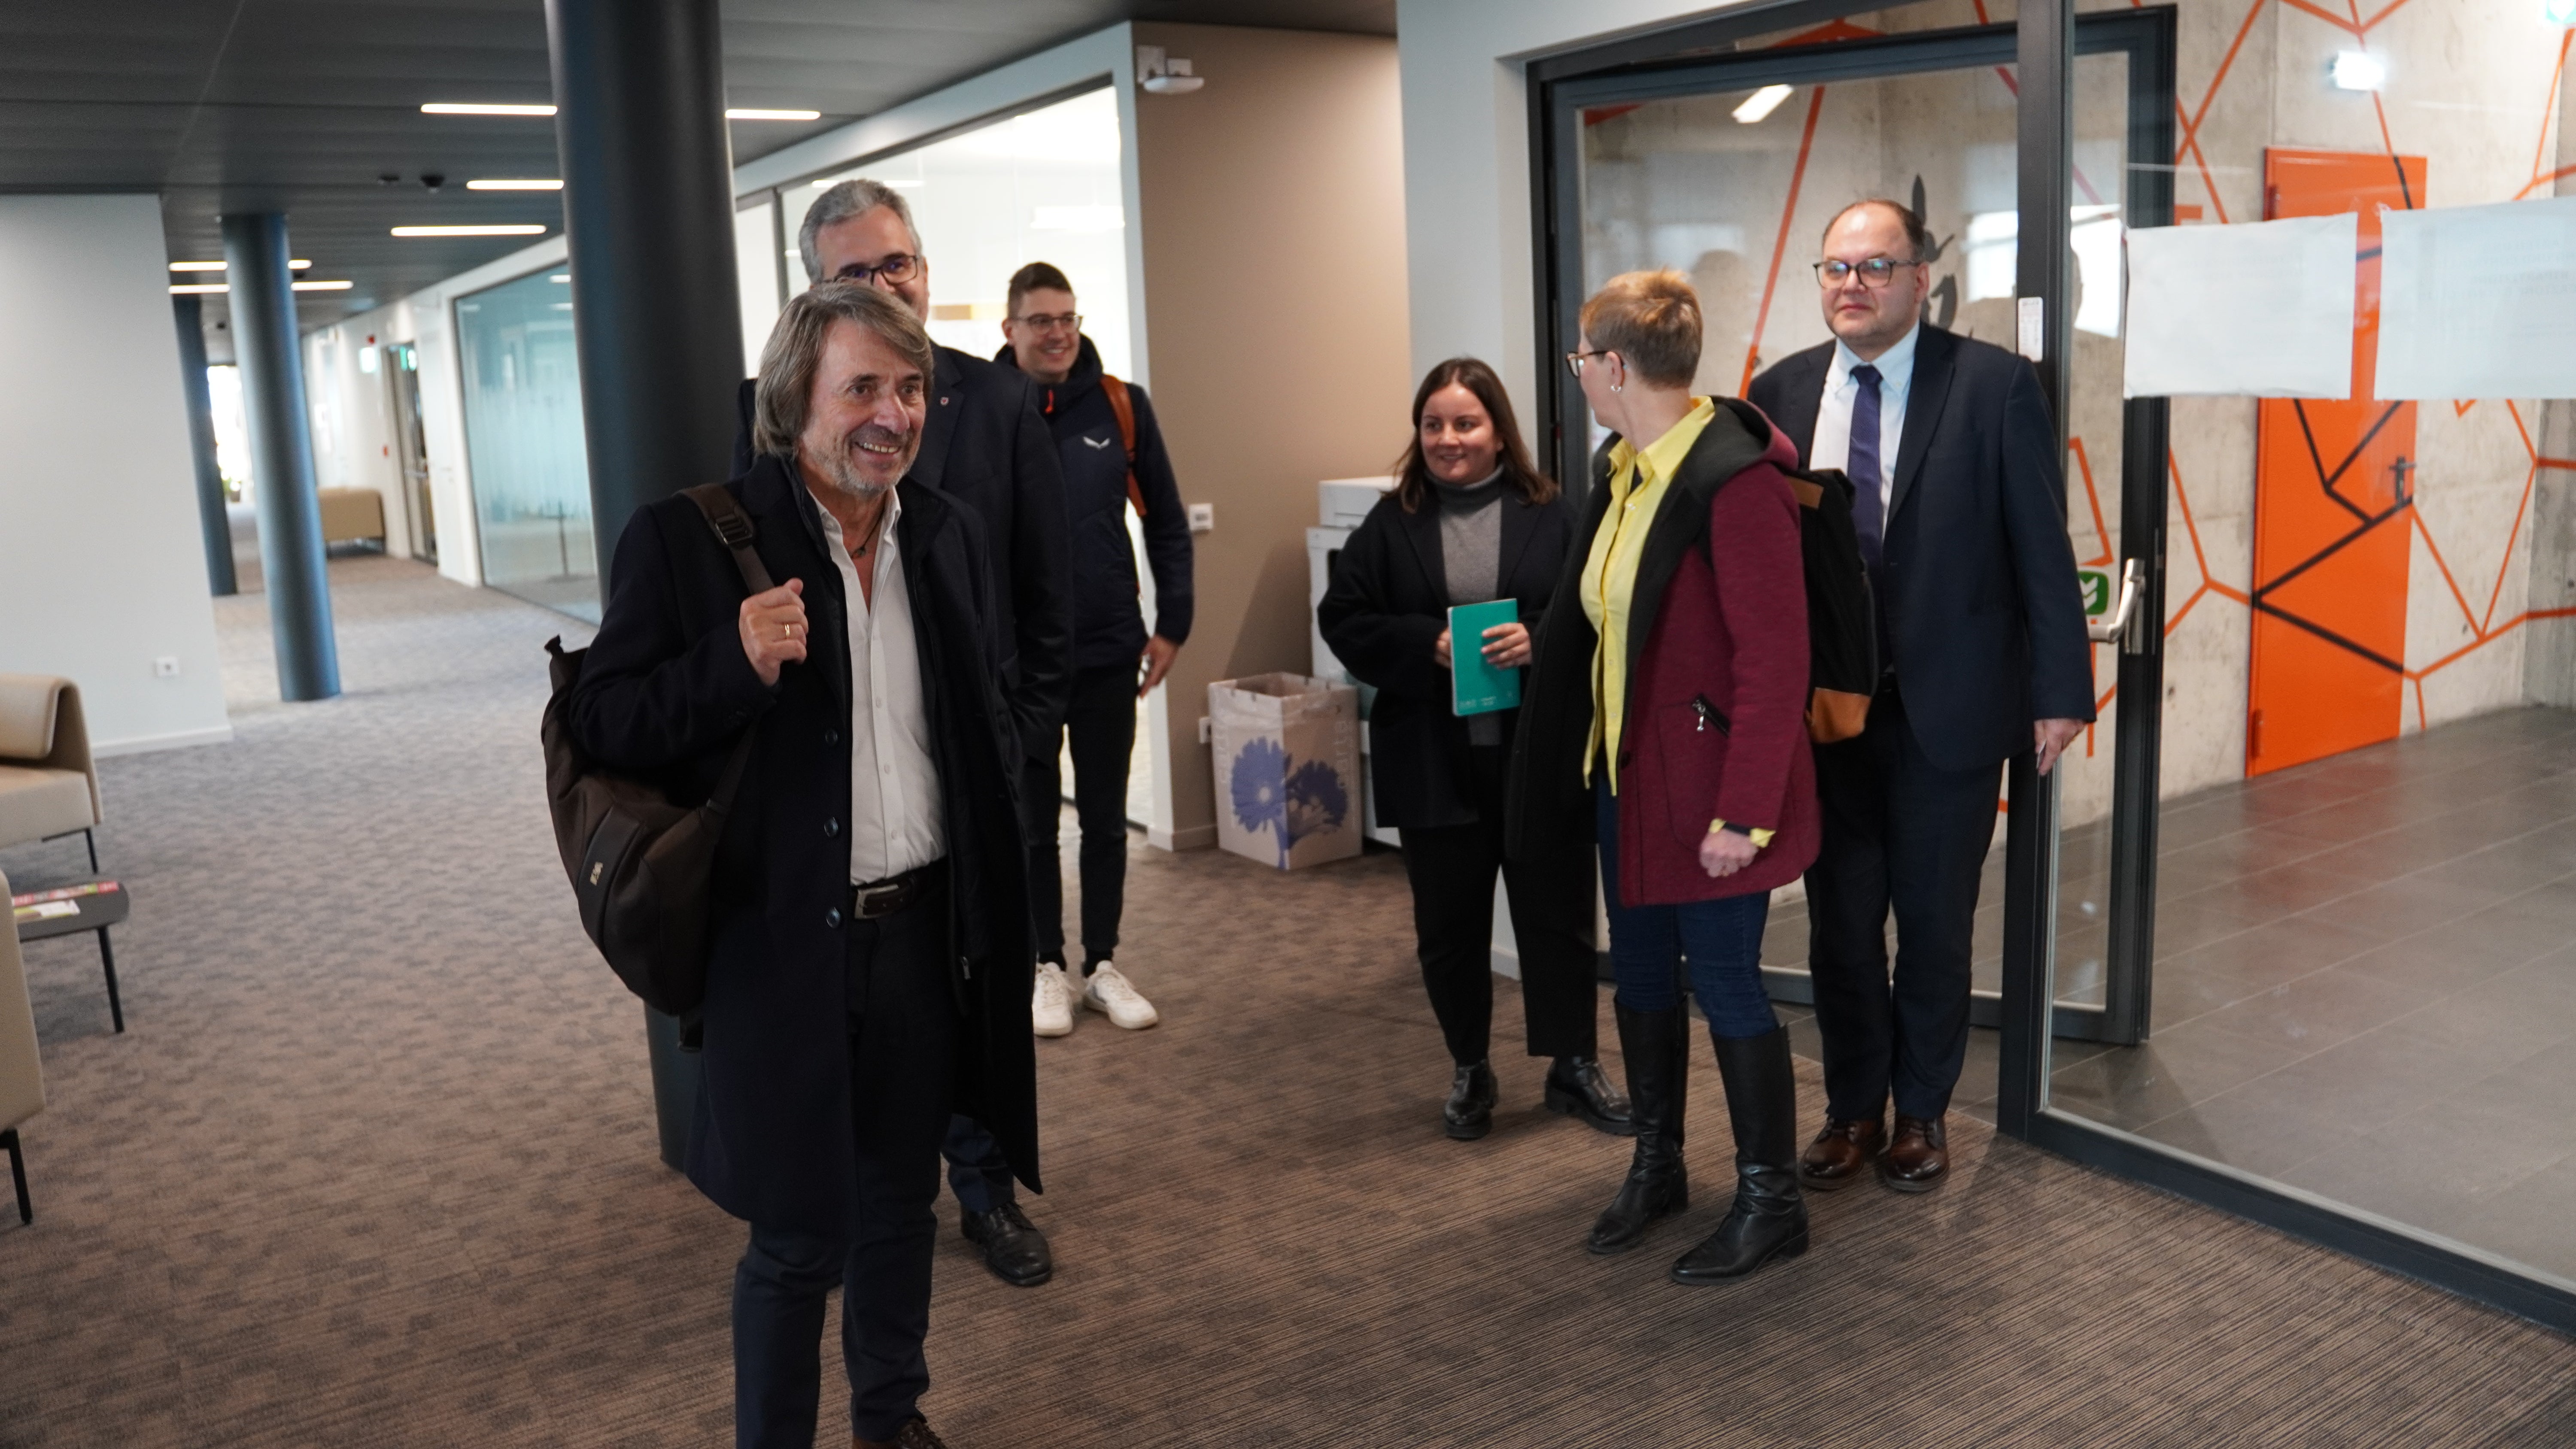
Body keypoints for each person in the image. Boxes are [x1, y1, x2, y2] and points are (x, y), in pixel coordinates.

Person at [574, 282, 1031, 1449]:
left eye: (913, 388)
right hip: (782, 952)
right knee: (794, 1236)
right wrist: (729, 662)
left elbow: (976, 726)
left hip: (924, 939)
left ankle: (893, 1419)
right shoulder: (688, 538)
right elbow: (608, 725)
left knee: (902, 1208)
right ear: (796, 399)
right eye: (865, 387)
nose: (895, 414)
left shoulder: (945, 533)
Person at [736, 179, 1069, 1288]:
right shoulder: (786, 409)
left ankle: (985, 1195)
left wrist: (1019, 746)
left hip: (969, 774)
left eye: (900, 266)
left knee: (968, 1004)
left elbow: (1040, 583)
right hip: (842, 798)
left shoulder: (997, 397)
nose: (887, 287)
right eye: (855, 275)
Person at [1746, 199, 2093, 1194]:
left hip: (1950, 707)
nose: (1851, 285)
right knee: (1840, 923)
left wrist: (2059, 688)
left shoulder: (1993, 385)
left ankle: (1922, 1110)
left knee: (1935, 925)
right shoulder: (1780, 390)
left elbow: (2041, 544)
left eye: (1875, 267)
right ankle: (1852, 1106)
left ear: (1921, 279)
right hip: (1830, 716)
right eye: (1835, 268)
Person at [1509, 270, 1821, 1285]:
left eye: (1579, 364)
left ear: (1610, 366)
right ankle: (1661, 1163)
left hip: (1717, 796)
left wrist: (1746, 811)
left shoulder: (1736, 483)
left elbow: (1777, 663)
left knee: (1727, 981)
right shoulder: (1624, 472)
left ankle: (1771, 1200)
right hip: (1630, 780)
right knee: (1641, 975)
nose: (1580, 380)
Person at [1318, 357, 1631, 1143]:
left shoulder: (1555, 513)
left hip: (1536, 758)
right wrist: (1425, 644)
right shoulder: (1393, 523)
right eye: (1434, 425)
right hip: (1433, 758)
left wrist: (1541, 636)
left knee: (1556, 919)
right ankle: (1470, 1067)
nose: (1448, 440)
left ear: (1499, 432)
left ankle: (1573, 1064)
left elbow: (1595, 611)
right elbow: (1343, 617)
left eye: (1466, 423)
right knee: (1449, 929)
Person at [991, 261, 1192, 1037]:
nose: (1057, 333)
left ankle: (1102, 961)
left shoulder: (1120, 408)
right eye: (1040, 320)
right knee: (1034, 824)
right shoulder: (990, 412)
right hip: (1024, 663)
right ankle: (1046, 965)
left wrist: (1172, 624)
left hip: (1110, 647)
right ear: (1010, 330)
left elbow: (1167, 521)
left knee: (1106, 819)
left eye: (1067, 318)